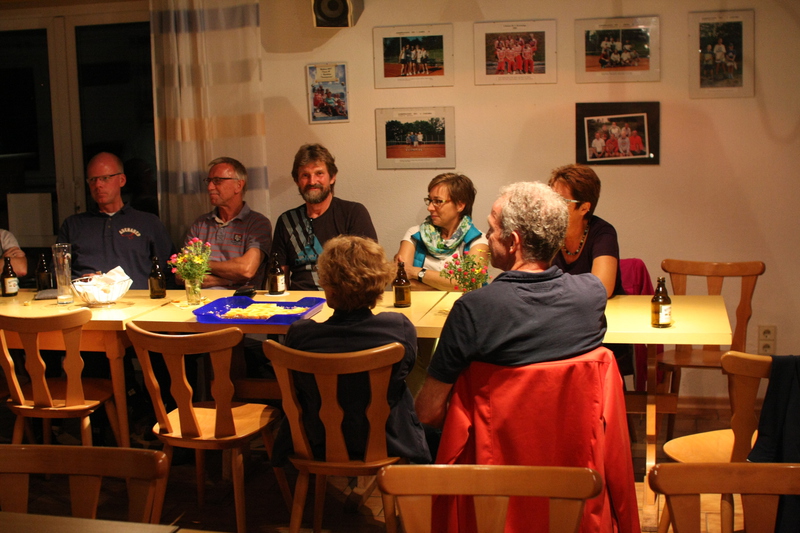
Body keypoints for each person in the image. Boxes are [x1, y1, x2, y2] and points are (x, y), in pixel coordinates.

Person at [414, 182, 607, 428]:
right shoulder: (592, 294)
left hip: (494, 446)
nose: (486, 237)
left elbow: (428, 412)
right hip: (574, 442)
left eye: (491, 229)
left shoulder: (474, 309)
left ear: (513, 242)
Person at [271, 235, 431, 465]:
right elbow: (407, 369)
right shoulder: (398, 329)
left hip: (316, 441)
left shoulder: (301, 334)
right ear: (378, 286)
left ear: (328, 289)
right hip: (387, 440)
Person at [548, 164, 634, 376]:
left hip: (602, 330)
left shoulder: (602, 232)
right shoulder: (547, 232)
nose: (551, 207)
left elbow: (602, 287)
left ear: (584, 207)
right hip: (560, 325)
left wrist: (555, 287)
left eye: (561, 201)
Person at [58, 152, 174, 289]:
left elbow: (169, 271)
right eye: (93, 180)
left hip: (138, 299)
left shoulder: (148, 222)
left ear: (122, 180)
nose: (98, 185)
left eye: (105, 178)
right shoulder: (73, 225)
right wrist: (80, 282)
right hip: (87, 298)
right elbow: (59, 273)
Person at [271, 144, 377, 291]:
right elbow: (279, 277)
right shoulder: (286, 221)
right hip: (299, 301)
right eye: (305, 175)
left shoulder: (353, 213)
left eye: (319, 173)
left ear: (332, 177)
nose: (312, 181)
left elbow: (370, 269)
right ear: (297, 181)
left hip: (343, 299)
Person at [185, 157, 272, 290]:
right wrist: (228, 280)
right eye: (209, 181)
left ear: (238, 185)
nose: (210, 187)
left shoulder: (258, 223)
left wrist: (201, 264)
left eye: (217, 181)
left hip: (240, 300)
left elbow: (246, 269)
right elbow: (181, 274)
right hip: (200, 299)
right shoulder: (200, 224)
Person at [394, 173, 489, 291]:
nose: (430, 208)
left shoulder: (478, 241)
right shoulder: (415, 234)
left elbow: (469, 283)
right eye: (430, 200)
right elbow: (400, 280)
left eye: (438, 201)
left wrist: (415, 272)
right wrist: (449, 286)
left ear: (460, 205)